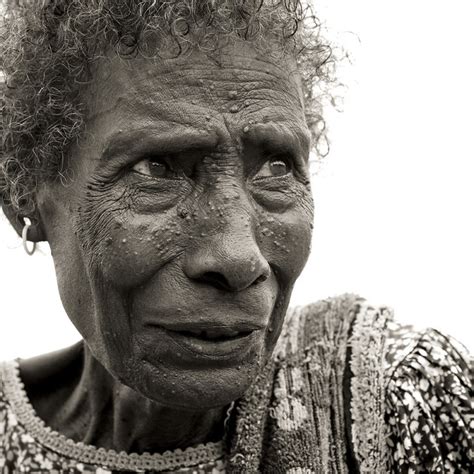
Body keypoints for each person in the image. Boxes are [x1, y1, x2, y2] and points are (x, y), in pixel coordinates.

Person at [0, 1, 472, 472]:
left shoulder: (402, 397)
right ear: (21, 193)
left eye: (277, 167)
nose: (240, 258)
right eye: (158, 168)